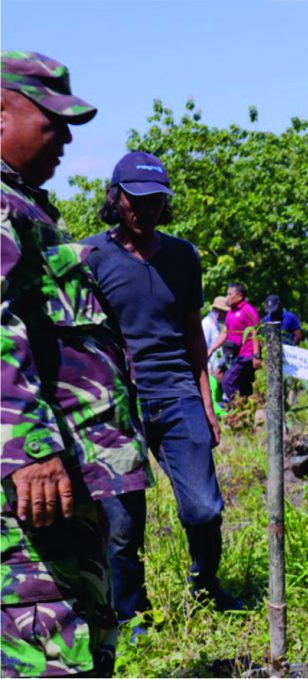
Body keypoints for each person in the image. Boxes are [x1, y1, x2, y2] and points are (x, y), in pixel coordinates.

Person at [1, 51, 150, 676]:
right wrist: (29, 448)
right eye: (52, 120)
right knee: (49, 651)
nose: (64, 137)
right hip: (30, 479)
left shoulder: (24, 205)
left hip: (68, 477)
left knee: (81, 629)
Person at [82, 151, 243, 622]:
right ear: (116, 198)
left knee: (204, 509)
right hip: (116, 404)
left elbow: (194, 334)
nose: (145, 210)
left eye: (155, 201)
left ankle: (205, 585)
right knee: (122, 525)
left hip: (177, 395)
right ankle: (132, 613)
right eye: (136, 200)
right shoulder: (91, 257)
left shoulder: (181, 255)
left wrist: (206, 401)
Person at [208, 281, 261, 403]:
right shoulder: (230, 312)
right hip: (235, 356)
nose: (227, 298)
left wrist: (256, 355)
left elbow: (255, 332)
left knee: (227, 381)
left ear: (240, 296)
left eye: (229, 294)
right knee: (244, 386)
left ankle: (238, 407)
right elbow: (224, 333)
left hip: (247, 356)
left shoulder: (248, 310)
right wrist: (212, 349)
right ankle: (246, 411)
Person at [203, 295, 230, 415]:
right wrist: (207, 367)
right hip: (209, 368)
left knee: (219, 395)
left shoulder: (219, 325)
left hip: (218, 367)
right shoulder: (206, 324)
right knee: (211, 395)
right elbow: (203, 348)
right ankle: (223, 417)